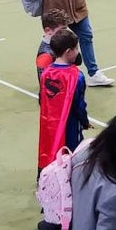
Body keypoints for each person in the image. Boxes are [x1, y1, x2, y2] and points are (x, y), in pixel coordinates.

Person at [38, 28, 89, 174]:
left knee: (51, 150)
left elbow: (42, 99)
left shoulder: (46, 73)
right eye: (76, 49)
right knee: (72, 154)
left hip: (50, 124)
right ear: (68, 52)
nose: (78, 52)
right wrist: (84, 121)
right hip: (70, 124)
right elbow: (79, 105)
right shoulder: (76, 76)